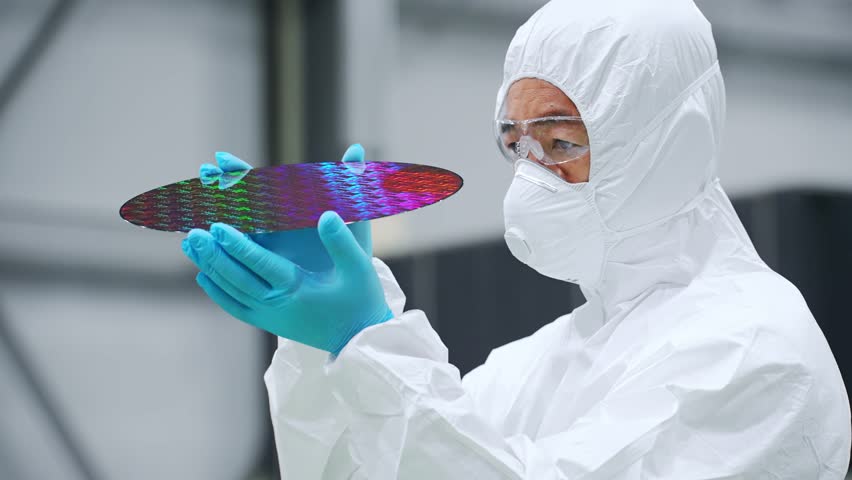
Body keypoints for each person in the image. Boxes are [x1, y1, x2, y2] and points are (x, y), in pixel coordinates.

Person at [181, 0, 851, 478]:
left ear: (670, 142)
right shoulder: (542, 361)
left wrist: (371, 341)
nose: (531, 178)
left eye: (560, 143)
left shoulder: (755, 350)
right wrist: (324, 349)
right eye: (515, 145)